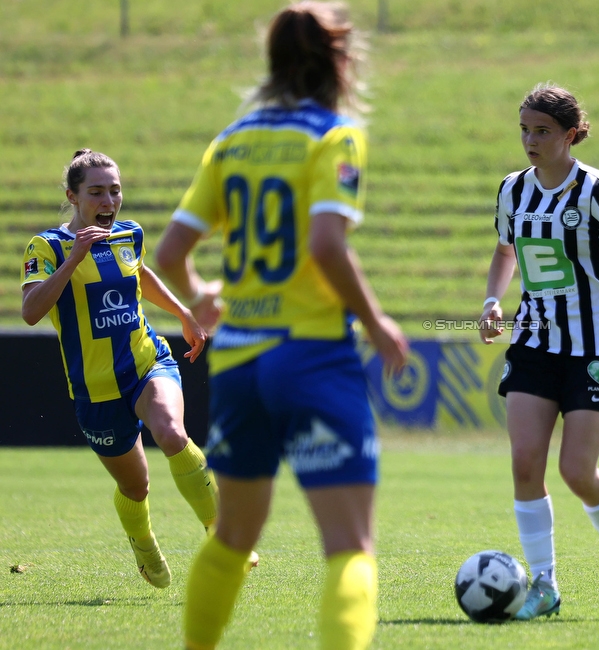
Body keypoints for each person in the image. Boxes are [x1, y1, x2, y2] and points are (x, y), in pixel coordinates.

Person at [153, 3, 409, 649]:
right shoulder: (334, 136)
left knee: (234, 538)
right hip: (312, 357)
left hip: (239, 363)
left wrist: (204, 295)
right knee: (350, 546)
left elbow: (169, 256)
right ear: (341, 62)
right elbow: (326, 244)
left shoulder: (232, 140)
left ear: (271, 61)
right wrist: (376, 322)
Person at [479, 83, 599, 619]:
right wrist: (492, 300)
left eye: (543, 131)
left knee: (578, 470)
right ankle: (544, 585)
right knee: (525, 462)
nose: (530, 140)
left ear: (571, 134)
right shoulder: (513, 190)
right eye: (525, 130)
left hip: (596, 348)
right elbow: (505, 250)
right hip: (535, 340)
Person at [20, 149, 220, 590]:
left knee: (171, 432)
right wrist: (74, 258)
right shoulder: (47, 246)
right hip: (95, 389)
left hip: (146, 362)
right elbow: (31, 311)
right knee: (136, 486)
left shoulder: (129, 233)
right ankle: (144, 544)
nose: (108, 200)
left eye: (114, 190)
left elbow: (140, 272)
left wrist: (184, 312)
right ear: (73, 197)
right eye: (96, 192)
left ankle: (222, 536)